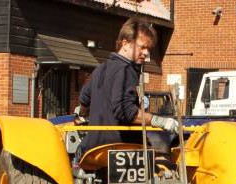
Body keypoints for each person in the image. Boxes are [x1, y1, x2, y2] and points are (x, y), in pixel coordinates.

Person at [76, 17, 178, 158]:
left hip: (93, 150)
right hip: (122, 149)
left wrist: (82, 116)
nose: (146, 53)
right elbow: (124, 111)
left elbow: (84, 99)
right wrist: (159, 121)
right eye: (142, 47)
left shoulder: (100, 69)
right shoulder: (126, 71)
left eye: (148, 48)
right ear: (125, 43)